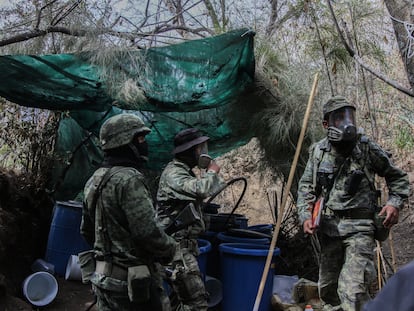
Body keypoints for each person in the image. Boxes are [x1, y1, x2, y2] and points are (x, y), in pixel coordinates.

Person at [296, 96, 409, 311]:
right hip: (329, 230)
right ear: (326, 124)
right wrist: (305, 217)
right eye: (339, 118)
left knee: (353, 291)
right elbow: (306, 189)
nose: (346, 123)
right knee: (328, 292)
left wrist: (394, 203)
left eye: (349, 116)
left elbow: (397, 177)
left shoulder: (365, 147)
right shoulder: (319, 152)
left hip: (360, 229)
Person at [81, 113, 177, 311]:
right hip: (131, 287)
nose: (144, 144)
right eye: (140, 138)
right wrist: (172, 250)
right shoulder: (129, 179)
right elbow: (147, 233)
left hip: (101, 280)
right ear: (125, 142)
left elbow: (87, 231)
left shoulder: (94, 180)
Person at [156, 128, 226, 311]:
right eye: (201, 148)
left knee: (178, 302)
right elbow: (201, 189)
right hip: (175, 248)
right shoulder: (173, 174)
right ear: (194, 150)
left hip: (183, 247)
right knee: (197, 303)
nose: (204, 152)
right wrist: (211, 172)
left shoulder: (184, 172)